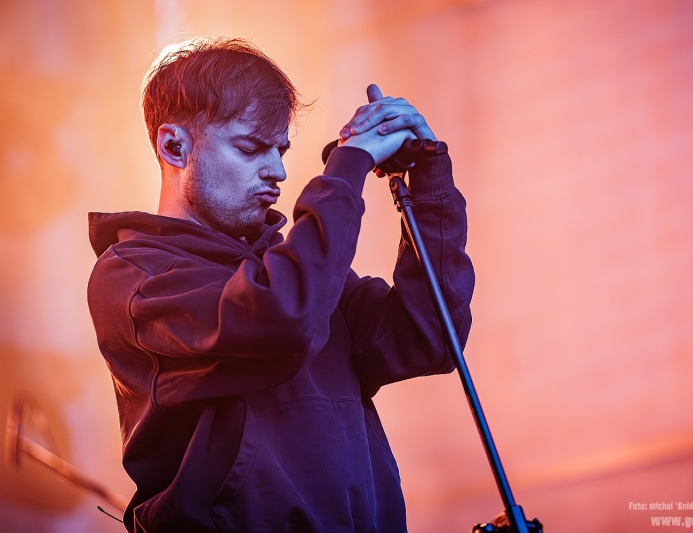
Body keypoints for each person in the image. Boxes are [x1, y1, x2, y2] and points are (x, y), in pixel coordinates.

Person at [87, 37, 474, 533]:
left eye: (281, 149)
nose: (279, 171)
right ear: (173, 146)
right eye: (251, 148)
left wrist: (429, 181)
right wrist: (349, 166)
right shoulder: (134, 275)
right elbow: (280, 318)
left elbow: (430, 339)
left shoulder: (297, 272)